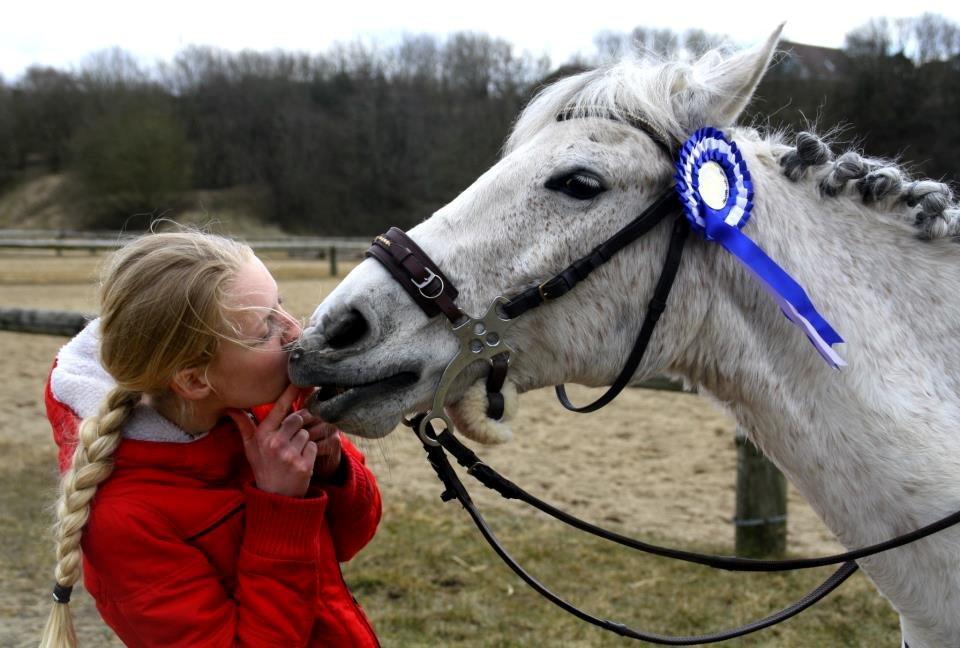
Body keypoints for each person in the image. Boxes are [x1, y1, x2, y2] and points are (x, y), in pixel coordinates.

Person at [39, 231, 382, 647]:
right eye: (265, 329)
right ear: (194, 379)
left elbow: (352, 537)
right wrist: (281, 509)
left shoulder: (255, 407)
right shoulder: (124, 522)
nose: (297, 331)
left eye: (282, 305)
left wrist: (330, 463)